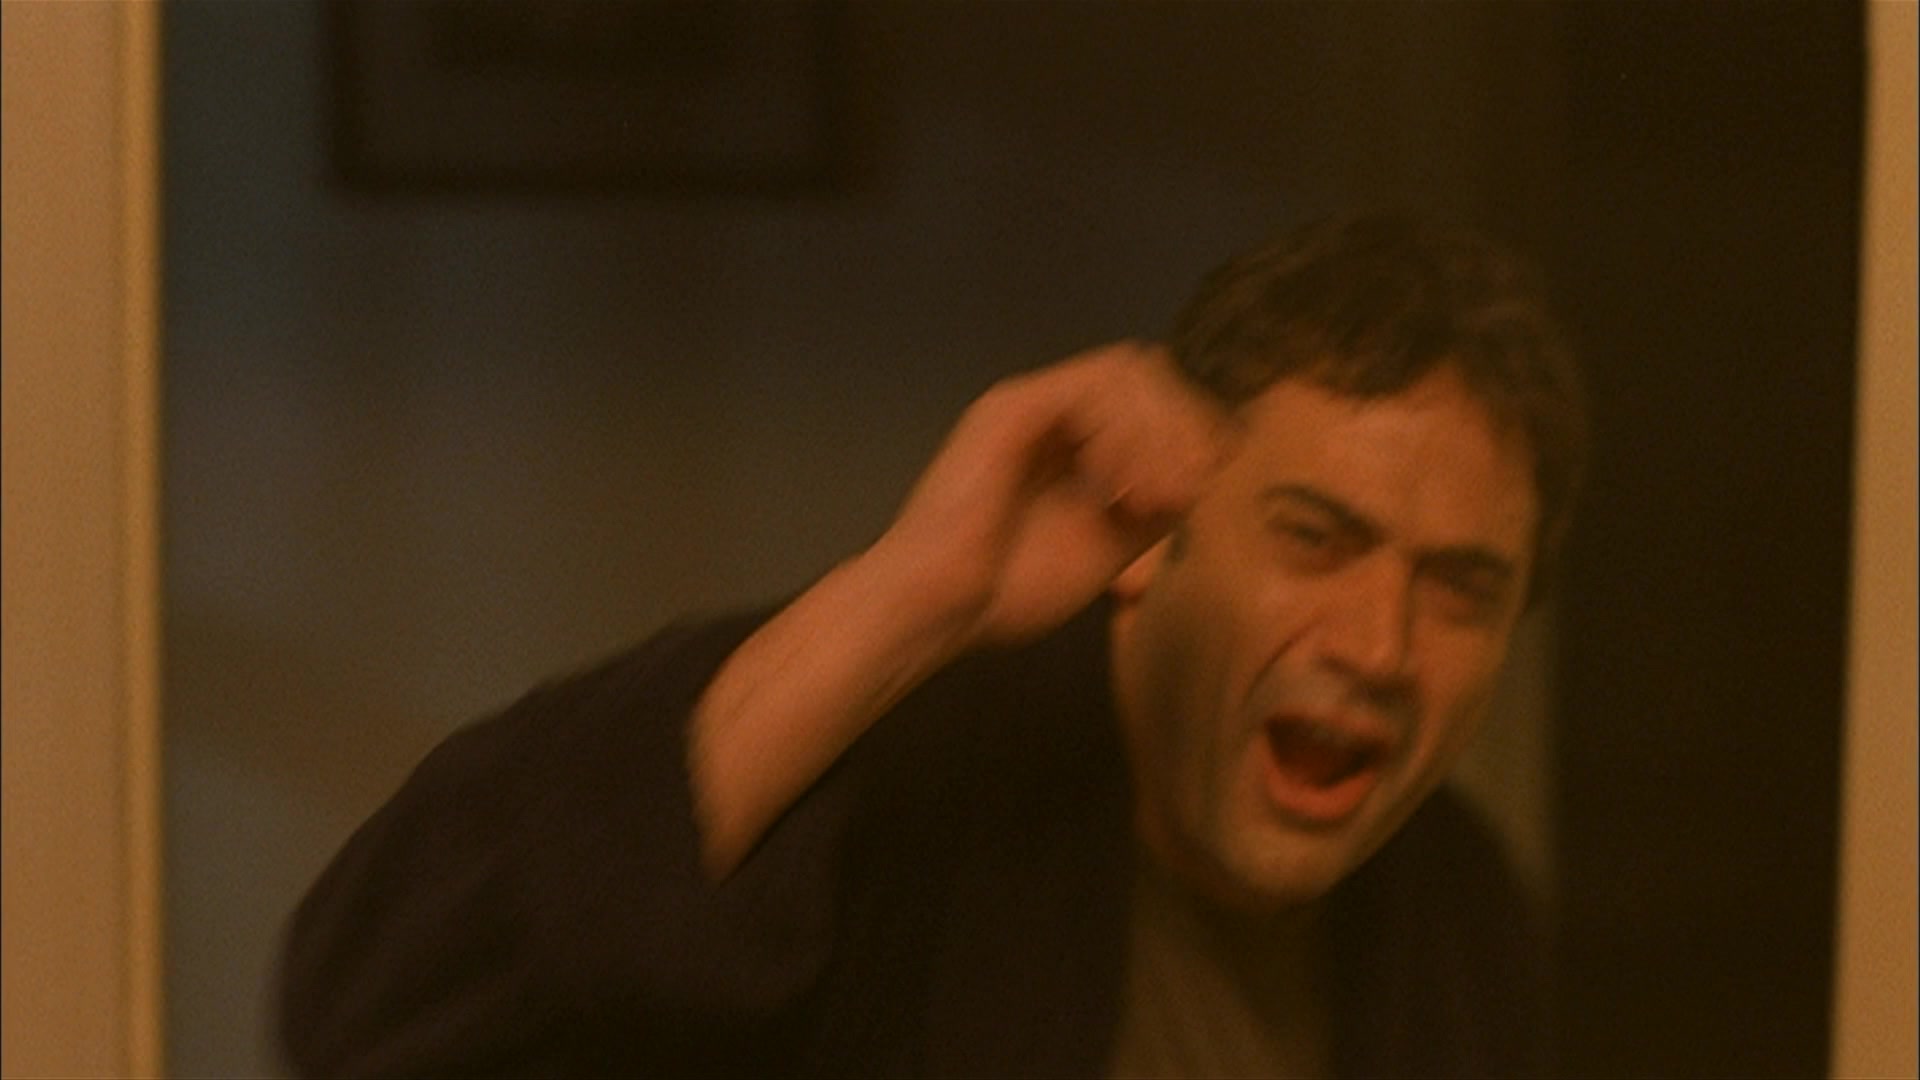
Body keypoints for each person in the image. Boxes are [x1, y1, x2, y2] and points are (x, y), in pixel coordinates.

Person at [277, 211, 1588, 1078]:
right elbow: (374, 1010)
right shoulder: (908, 798)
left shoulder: (1458, 918)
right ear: (1155, 535)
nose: (1380, 645)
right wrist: (912, 597)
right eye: (1314, 538)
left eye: (1461, 588)